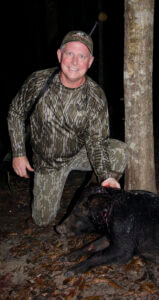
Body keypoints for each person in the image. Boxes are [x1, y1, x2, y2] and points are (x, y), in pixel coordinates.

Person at [7, 30, 129, 226]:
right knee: (42, 220)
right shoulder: (38, 81)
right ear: (59, 55)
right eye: (70, 53)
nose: (74, 61)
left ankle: (91, 200)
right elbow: (15, 113)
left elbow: (96, 142)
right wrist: (19, 153)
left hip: (80, 153)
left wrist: (106, 176)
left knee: (119, 150)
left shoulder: (95, 96)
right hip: (48, 163)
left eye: (82, 56)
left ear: (90, 62)